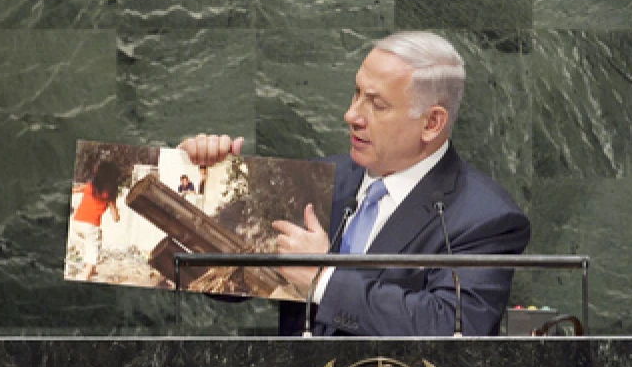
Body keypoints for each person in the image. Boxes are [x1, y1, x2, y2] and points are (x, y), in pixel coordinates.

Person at [179, 31, 530, 336]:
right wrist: (201, 187)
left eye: (376, 104)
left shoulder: (484, 217)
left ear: (431, 123)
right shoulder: (317, 180)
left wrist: (323, 279)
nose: (352, 115)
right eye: (356, 93)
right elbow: (225, 279)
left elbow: (450, 326)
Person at [71, 160, 121, 281]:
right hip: (90, 225)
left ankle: (91, 270)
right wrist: (117, 215)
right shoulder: (109, 194)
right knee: (92, 253)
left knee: (94, 239)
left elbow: (74, 189)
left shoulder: (89, 187)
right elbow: (115, 217)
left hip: (77, 222)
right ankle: (85, 276)